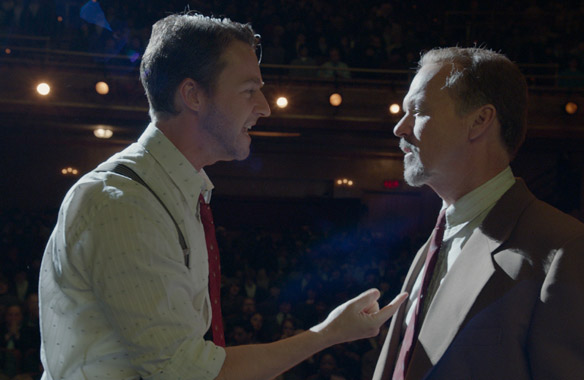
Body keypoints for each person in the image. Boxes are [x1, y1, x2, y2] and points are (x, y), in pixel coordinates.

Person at [39, 13, 406, 380]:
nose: (264, 106)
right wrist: (328, 334)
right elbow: (189, 374)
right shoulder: (122, 203)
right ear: (193, 95)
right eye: (249, 91)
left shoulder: (176, 191)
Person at [373, 47, 584, 380]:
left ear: (480, 121)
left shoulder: (569, 252)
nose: (400, 128)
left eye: (418, 110)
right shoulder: (434, 243)